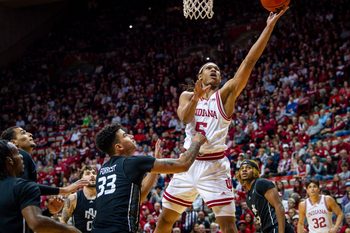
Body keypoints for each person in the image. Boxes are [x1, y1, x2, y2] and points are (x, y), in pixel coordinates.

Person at [155, 7, 289, 233]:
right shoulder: (188, 96)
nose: (214, 70)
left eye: (217, 68)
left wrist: (268, 27)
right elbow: (184, 118)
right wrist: (197, 96)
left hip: (215, 167)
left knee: (228, 226)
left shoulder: (225, 95)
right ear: (200, 76)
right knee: (165, 220)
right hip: (187, 163)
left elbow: (248, 62)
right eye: (209, 68)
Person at [91, 123, 206, 233]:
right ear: (119, 146)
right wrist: (196, 142)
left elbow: (138, 198)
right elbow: (183, 164)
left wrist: (154, 169)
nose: (131, 136)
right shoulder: (132, 162)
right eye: (125, 135)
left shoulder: (103, 170)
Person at [1, 126, 89, 214]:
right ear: (13, 143)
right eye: (23, 133)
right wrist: (64, 190)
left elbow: (25, 214)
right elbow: (26, 187)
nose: (30, 134)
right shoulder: (22, 155)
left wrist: (49, 212)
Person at [0, 139, 81, 233]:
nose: (22, 156)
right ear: (10, 161)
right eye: (17, 153)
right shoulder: (24, 186)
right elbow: (37, 223)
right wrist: (70, 230)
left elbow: (13, 221)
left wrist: (47, 212)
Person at [236, 159, 295, 233]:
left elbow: (279, 206)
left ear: (255, 171)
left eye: (248, 168)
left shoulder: (261, 183)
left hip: (276, 227)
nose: (244, 170)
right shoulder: (248, 198)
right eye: (242, 168)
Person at [61, 165, 97, 233]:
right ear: (81, 179)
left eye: (94, 173)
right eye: (88, 173)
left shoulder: (104, 196)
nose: (92, 175)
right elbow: (63, 222)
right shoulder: (73, 198)